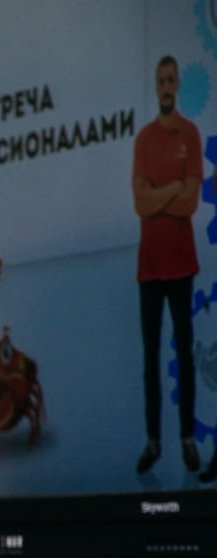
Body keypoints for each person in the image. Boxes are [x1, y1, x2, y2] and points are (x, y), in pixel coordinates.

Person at [131, 54, 209, 480]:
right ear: (155, 86)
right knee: (149, 357)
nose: (165, 87)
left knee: (184, 354)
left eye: (170, 80)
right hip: (149, 269)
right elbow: (140, 203)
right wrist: (173, 187)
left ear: (178, 86)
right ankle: (153, 441)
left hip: (181, 264)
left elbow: (191, 202)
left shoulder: (191, 134)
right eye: (160, 80)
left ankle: (187, 439)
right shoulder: (144, 140)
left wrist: (162, 192)